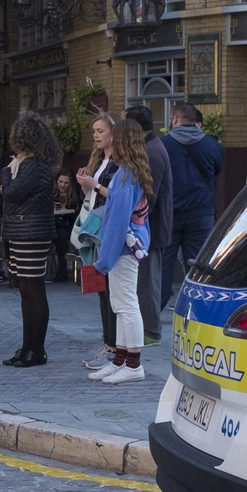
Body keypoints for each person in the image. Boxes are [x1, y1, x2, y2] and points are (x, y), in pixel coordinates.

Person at [81, 118, 153, 385]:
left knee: (125, 305)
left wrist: (104, 259)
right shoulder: (131, 172)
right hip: (126, 248)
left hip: (122, 249)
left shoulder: (125, 175)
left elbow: (118, 222)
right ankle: (121, 361)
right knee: (121, 304)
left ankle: (132, 364)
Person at [0, 113, 62, 367]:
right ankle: (28, 347)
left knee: (33, 290)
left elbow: (12, 193)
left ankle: (36, 349)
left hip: (31, 233)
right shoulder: (28, 165)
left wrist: (5, 174)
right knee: (26, 290)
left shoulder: (31, 166)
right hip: (24, 232)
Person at [161, 102, 224, 309]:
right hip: (201, 213)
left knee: (163, 265)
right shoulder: (212, 144)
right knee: (198, 265)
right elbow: (217, 170)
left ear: (175, 119)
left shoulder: (163, 145)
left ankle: (153, 318)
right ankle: (197, 310)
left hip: (169, 215)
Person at [124, 105, 171, 346]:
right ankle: (148, 328)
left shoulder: (151, 151)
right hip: (148, 227)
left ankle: (151, 331)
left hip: (149, 229)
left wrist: (135, 223)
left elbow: (148, 196)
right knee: (143, 281)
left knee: (147, 283)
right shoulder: (150, 146)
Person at [79, 114, 121, 372]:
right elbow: (93, 198)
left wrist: (94, 185)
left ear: (113, 133)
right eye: (94, 130)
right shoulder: (99, 160)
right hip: (95, 227)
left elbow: (115, 196)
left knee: (111, 290)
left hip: (108, 229)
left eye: (101, 131)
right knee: (101, 289)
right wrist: (85, 186)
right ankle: (108, 343)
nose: (96, 135)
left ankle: (114, 346)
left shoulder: (119, 164)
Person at [52, 170, 81, 284]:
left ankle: (62, 269)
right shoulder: (51, 194)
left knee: (61, 234)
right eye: (60, 182)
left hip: (68, 226)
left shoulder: (75, 196)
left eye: (66, 183)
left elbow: (75, 217)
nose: (62, 185)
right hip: (53, 225)